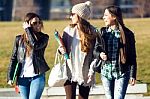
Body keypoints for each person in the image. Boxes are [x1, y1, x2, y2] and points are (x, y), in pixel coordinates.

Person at [93, 6, 137, 99]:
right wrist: (100, 54)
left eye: (106, 15)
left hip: (122, 73)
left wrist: (133, 75)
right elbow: (95, 50)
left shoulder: (128, 34)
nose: (103, 17)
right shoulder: (102, 32)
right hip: (106, 73)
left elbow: (132, 56)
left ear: (114, 17)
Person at [58, 1, 98, 99]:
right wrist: (61, 50)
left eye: (72, 14)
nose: (70, 17)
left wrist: (91, 71)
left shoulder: (93, 31)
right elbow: (62, 48)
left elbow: (95, 54)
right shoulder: (68, 30)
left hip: (85, 72)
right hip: (69, 70)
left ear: (80, 16)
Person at [7, 12, 49, 99]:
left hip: (37, 76)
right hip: (22, 78)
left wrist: (28, 30)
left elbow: (35, 45)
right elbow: (14, 58)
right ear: (27, 24)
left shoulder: (44, 38)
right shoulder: (19, 39)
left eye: (39, 22)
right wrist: (10, 77)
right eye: (34, 23)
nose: (38, 25)